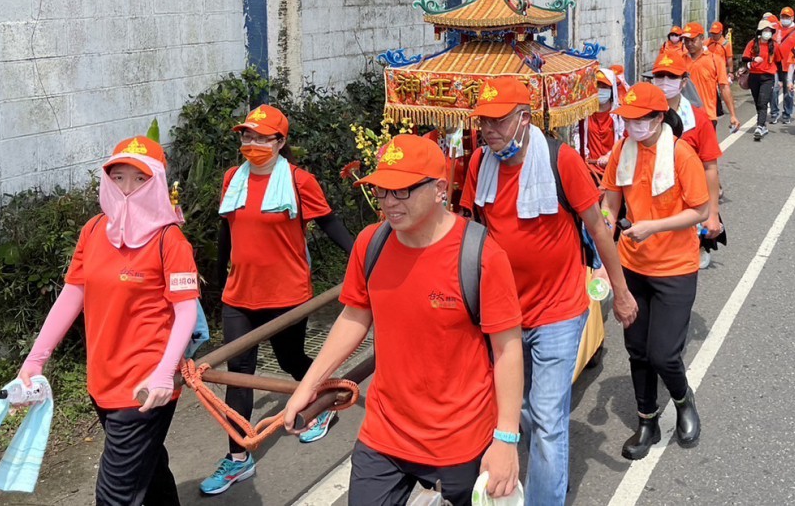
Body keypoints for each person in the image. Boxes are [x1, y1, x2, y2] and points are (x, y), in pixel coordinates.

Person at [284, 135, 523, 506]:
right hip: (386, 431)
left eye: (403, 191)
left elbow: (508, 350)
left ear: (440, 188)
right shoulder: (370, 243)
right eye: (381, 191)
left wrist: (506, 439)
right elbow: (353, 317)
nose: (389, 203)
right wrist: (308, 386)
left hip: (460, 437)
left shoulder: (480, 255)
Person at [459, 76, 637, 506]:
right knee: (516, 410)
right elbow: (467, 232)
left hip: (559, 309)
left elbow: (597, 226)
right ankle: (542, 475)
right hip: (504, 315)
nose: (489, 131)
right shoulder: (479, 165)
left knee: (548, 418)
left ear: (524, 119)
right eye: (484, 122)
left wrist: (622, 290)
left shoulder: (561, 160)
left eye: (499, 121)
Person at [18, 137, 199, 506]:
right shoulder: (94, 230)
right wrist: (35, 360)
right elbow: (72, 294)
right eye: (118, 177)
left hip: (145, 387)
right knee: (149, 469)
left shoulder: (170, 240)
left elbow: (186, 311)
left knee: (115, 496)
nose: (127, 189)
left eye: (139, 179)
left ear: (158, 184)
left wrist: (164, 373)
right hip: (102, 378)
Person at [201, 105, 356, 495]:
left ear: (280, 142)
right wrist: (220, 285)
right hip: (239, 295)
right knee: (241, 372)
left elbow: (330, 224)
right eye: (245, 136)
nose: (250, 144)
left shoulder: (300, 182)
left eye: (260, 137)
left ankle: (321, 403)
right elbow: (226, 232)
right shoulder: (232, 179)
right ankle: (239, 457)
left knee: (290, 360)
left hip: (287, 294)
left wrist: (364, 258)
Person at [601, 82, 710, 460]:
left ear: (658, 118)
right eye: (626, 120)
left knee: (664, 354)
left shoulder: (681, 155)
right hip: (632, 264)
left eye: (638, 120)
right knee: (637, 350)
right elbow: (610, 203)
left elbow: (700, 211)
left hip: (675, 267)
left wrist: (652, 226)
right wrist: (603, 247)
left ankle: (683, 399)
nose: (631, 127)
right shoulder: (621, 151)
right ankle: (646, 420)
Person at [649, 51, 724, 267]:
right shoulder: (641, 118)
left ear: (683, 82)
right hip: (649, 202)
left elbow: (710, 168)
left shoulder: (698, 120)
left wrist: (712, 214)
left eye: (671, 77)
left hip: (687, 203)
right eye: (659, 76)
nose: (664, 82)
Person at [680, 22, 739, 131]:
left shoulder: (715, 60)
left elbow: (724, 87)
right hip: (684, 117)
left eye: (693, 40)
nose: (689, 44)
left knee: (706, 148)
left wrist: (732, 115)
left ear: (702, 39)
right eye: (686, 41)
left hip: (707, 116)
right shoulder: (679, 60)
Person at [741, 19, 779, 140]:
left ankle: (760, 125)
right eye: (765, 30)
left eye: (769, 31)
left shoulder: (774, 45)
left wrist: (783, 80)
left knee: (763, 101)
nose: (767, 33)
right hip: (754, 76)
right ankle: (762, 124)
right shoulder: (752, 43)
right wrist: (753, 60)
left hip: (768, 77)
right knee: (758, 101)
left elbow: (780, 62)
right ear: (760, 31)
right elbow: (744, 58)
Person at [580, 68, 624, 169]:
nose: (600, 90)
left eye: (604, 87)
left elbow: (624, 140)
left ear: (612, 90)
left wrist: (610, 156)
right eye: (597, 86)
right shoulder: (585, 114)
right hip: (590, 168)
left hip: (613, 168)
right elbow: (578, 138)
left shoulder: (619, 115)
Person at [770, 7, 795, 124]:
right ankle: (774, 113)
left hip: (789, 65)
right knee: (774, 90)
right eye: (783, 17)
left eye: (787, 17)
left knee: (788, 92)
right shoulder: (774, 29)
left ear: (792, 18)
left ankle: (787, 113)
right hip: (775, 64)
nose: (785, 19)